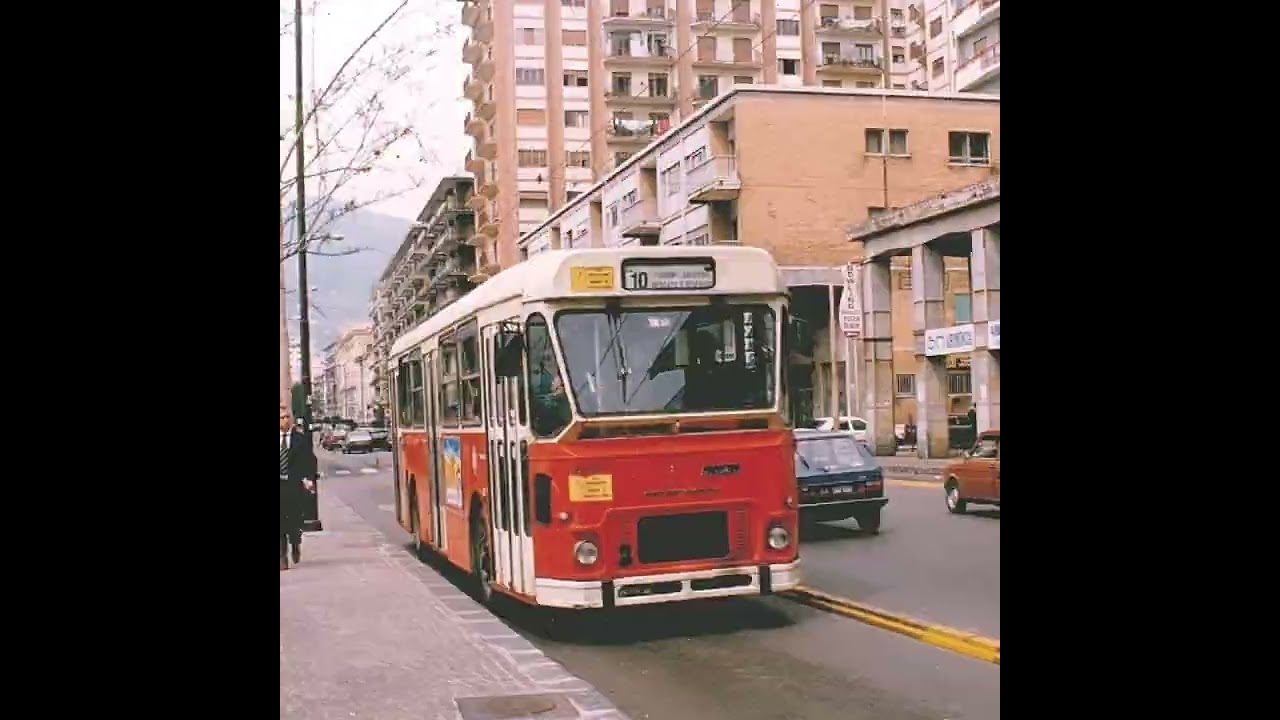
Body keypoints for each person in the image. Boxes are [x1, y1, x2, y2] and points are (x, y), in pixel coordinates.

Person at [280, 405, 317, 571]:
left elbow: (309, 461)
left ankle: (295, 544)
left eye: (287, 417)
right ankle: (282, 557)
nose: (285, 420)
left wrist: (309, 479)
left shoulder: (300, 439)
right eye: (281, 417)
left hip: (294, 485)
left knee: (294, 521)